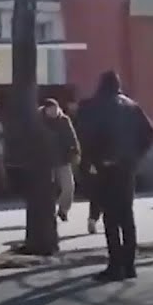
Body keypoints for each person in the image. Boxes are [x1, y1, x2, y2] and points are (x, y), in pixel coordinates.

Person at [76, 71, 153, 281]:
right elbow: (150, 134)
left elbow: (85, 136)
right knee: (127, 216)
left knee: (110, 218)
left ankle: (115, 265)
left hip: (105, 167)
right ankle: (129, 266)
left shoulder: (94, 107)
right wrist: (135, 156)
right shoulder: (132, 106)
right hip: (127, 168)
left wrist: (91, 161)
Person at [39, 99, 80, 223]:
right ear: (45, 110)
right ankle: (46, 213)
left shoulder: (64, 120)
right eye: (51, 110)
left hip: (63, 158)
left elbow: (72, 136)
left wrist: (75, 151)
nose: (54, 112)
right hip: (44, 160)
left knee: (69, 187)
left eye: (55, 109)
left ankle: (63, 209)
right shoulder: (38, 120)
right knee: (46, 189)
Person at [69, 101, 102, 235]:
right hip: (96, 162)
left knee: (96, 193)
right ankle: (94, 218)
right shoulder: (93, 126)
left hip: (88, 162)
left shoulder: (78, 124)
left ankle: (93, 219)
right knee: (101, 192)